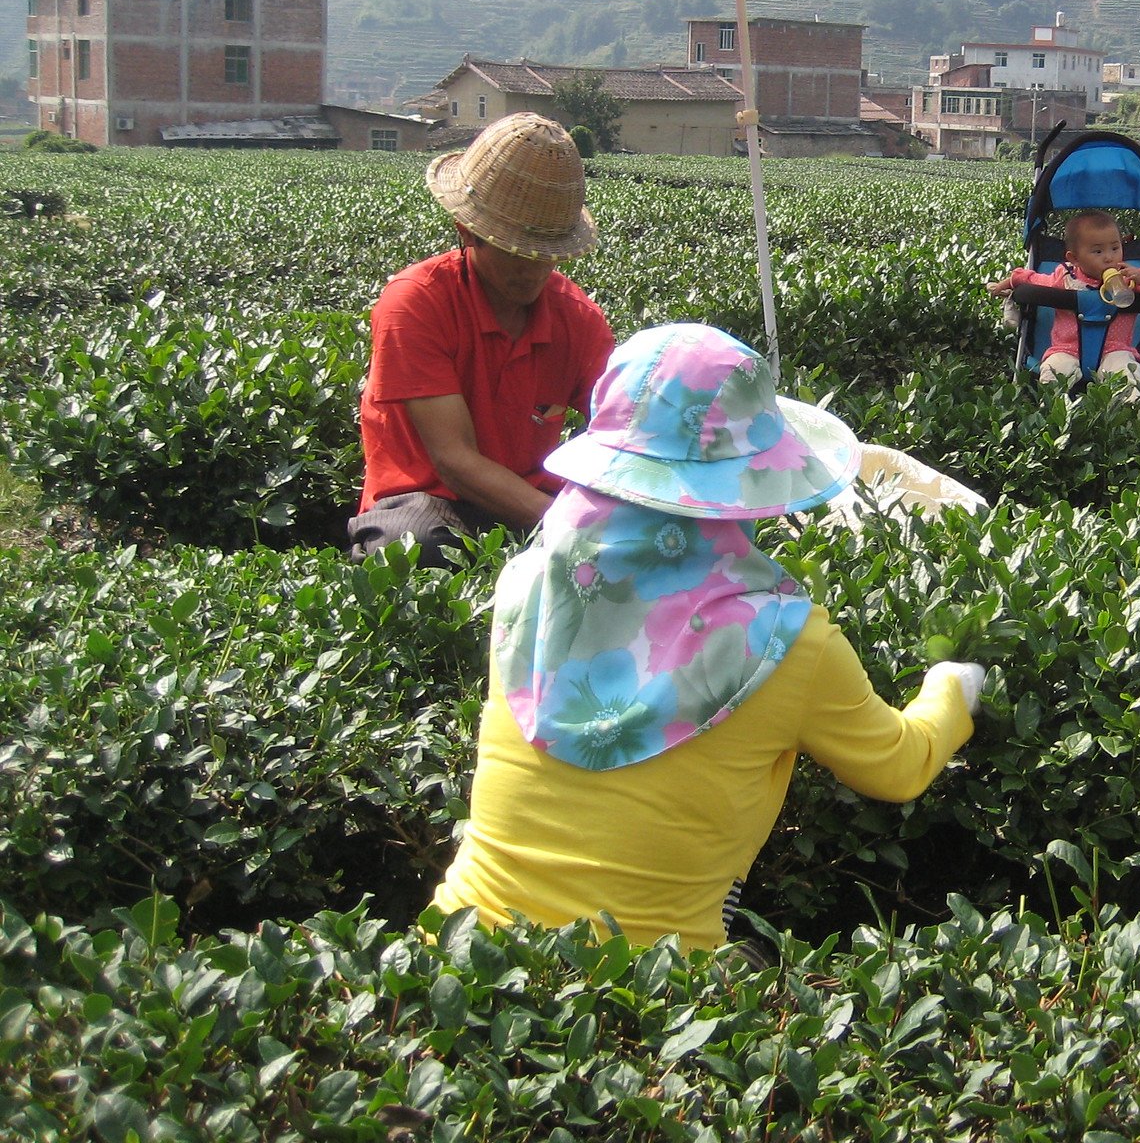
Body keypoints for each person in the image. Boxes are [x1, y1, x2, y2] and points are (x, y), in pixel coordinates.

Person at [432, 322, 987, 952]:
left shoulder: (525, 584)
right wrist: (954, 686)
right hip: (648, 987)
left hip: (460, 948)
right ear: (746, 486)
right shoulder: (787, 640)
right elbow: (898, 767)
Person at [349, 114, 613, 566]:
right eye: (516, 249)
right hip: (428, 501)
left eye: (546, 254)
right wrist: (570, 532)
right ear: (467, 232)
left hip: (529, 496)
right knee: (418, 549)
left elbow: (625, 429)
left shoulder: (578, 319)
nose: (532, 268)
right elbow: (454, 461)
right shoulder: (415, 303)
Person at [987, 207, 1140, 387]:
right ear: (1074, 259)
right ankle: (1056, 405)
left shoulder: (1128, 278)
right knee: (1055, 370)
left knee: (1126, 373)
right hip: (1067, 348)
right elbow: (1035, 280)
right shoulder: (1065, 277)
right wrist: (1012, 280)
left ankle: (1131, 408)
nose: (1109, 258)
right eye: (1098, 252)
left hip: (1116, 348)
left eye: (1115, 248)